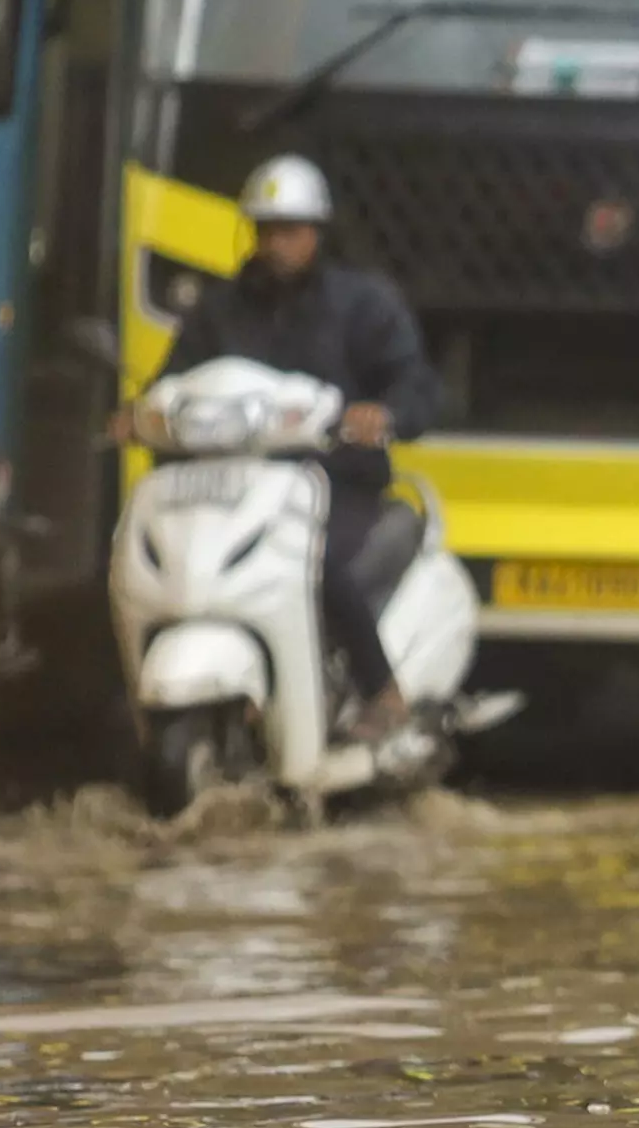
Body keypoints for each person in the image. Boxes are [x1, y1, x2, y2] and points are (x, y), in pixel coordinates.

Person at [147, 156, 441, 739]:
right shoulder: (217, 309)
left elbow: (417, 385)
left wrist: (382, 415)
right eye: (267, 230)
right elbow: (173, 381)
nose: (277, 243)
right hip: (234, 488)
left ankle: (381, 692)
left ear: (317, 234)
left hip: (334, 485)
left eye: (291, 230)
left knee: (316, 567)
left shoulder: (364, 304)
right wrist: (140, 413)